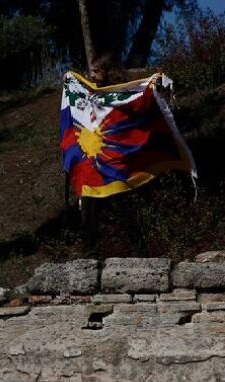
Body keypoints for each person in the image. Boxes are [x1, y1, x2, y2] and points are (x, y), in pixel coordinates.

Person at [77, 53, 148, 258]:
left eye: (96, 71)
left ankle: (140, 251)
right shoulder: (91, 92)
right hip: (92, 157)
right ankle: (90, 255)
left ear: (108, 71)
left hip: (114, 158)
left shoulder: (121, 95)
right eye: (91, 71)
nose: (92, 75)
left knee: (120, 204)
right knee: (88, 208)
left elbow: (134, 108)